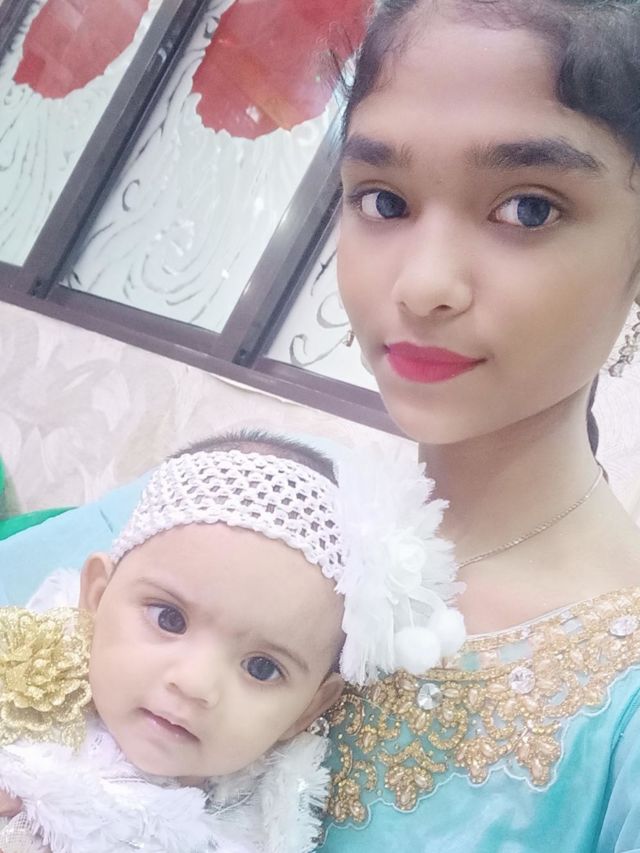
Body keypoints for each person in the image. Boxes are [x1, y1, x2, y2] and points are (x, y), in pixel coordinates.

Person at [318, 1, 640, 851]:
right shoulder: (262, 513)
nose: (425, 285)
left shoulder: (623, 717)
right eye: (383, 200)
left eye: (528, 209)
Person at [0, 430, 463, 853]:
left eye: (262, 668)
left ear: (307, 710)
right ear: (97, 597)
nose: (195, 683)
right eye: (169, 619)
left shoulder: (255, 829)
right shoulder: (17, 700)